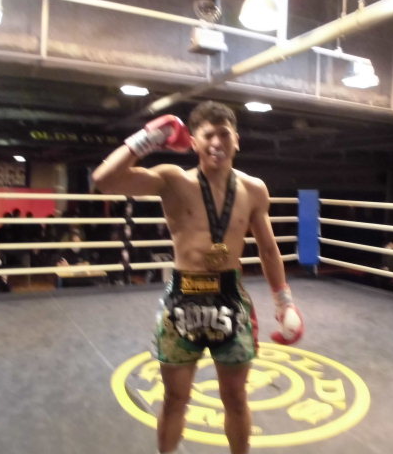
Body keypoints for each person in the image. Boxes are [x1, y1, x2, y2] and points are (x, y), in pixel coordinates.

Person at [91, 101, 304, 454]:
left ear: (236, 140)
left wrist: (284, 301)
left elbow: (268, 250)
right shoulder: (173, 180)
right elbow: (104, 180)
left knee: (236, 398)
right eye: (208, 135)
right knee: (175, 398)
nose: (216, 142)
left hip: (229, 298)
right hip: (183, 299)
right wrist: (148, 138)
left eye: (224, 134)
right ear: (193, 142)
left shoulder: (254, 189)